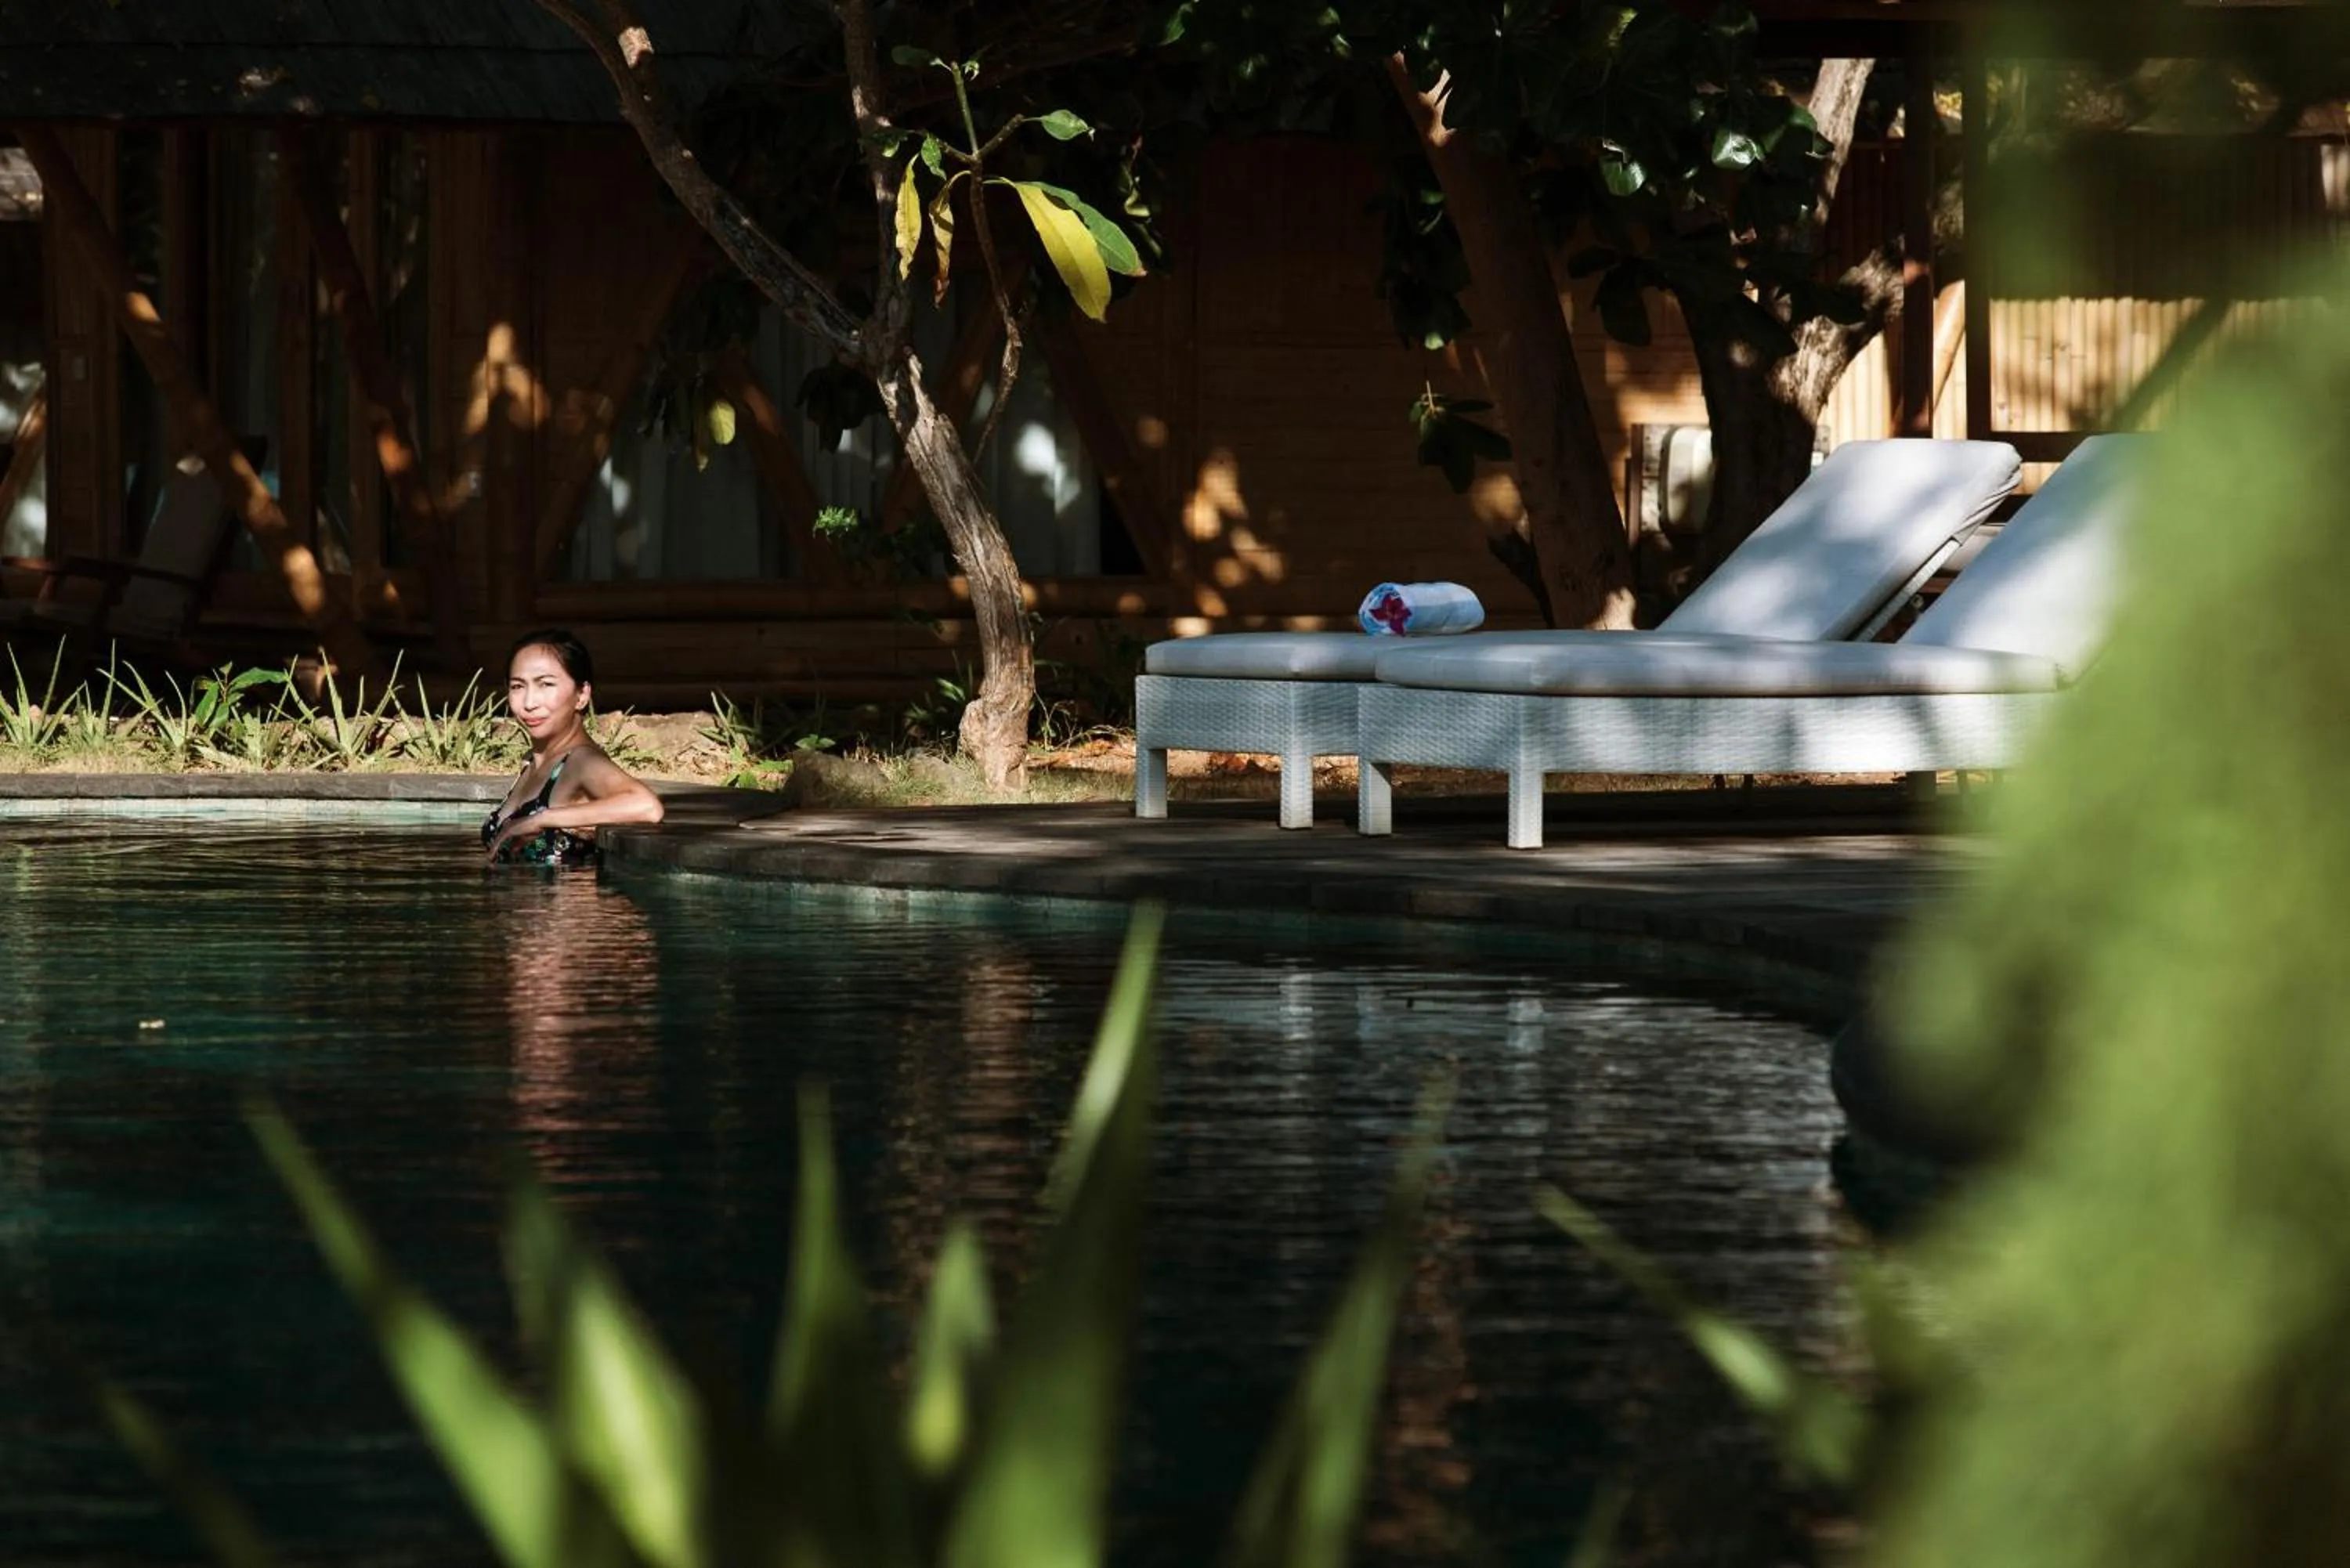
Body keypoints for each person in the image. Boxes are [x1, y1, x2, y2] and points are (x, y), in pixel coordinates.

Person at [482, 629, 665, 866]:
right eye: (518, 686)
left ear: (582, 694)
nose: (529, 703)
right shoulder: (533, 761)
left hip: (572, 902)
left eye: (546, 684)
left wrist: (541, 820)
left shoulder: (580, 761)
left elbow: (647, 807)